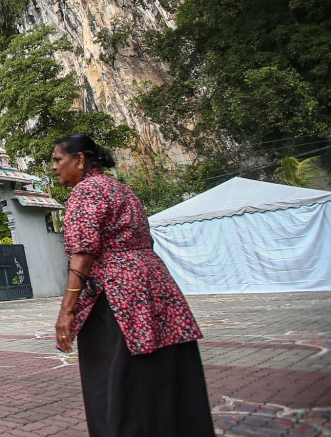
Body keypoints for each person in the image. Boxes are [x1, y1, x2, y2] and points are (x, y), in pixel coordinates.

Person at [51, 133, 213, 437]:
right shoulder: (122, 189)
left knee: (117, 379)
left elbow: (83, 254)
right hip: (155, 284)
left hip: (118, 296)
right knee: (164, 371)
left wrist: (67, 312)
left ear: (80, 160)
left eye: (59, 159)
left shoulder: (85, 192)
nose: (55, 167)